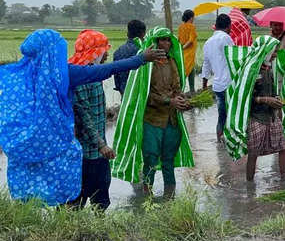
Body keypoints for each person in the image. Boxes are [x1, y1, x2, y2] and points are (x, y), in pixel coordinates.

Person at [0, 29, 165, 206]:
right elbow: (104, 71)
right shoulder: (63, 74)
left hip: (35, 143)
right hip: (63, 144)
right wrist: (140, 59)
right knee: (73, 194)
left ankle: (42, 220)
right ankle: (69, 225)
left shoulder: (17, 75)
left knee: (49, 191)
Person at [111, 27, 195, 198]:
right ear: (155, 42)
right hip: (152, 120)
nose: (166, 43)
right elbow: (144, 95)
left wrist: (183, 101)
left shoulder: (173, 62)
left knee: (168, 161)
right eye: (162, 40)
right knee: (150, 160)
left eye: (168, 40)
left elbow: (177, 88)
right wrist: (169, 101)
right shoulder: (146, 66)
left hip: (171, 120)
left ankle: (169, 199)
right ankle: (147, 198)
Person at [222, 36, 285, 181]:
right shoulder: (250, 70)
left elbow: (273, 91)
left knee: (283, 147)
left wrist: (276, 98)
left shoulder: (269, 69)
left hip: (271, 116)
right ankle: (250, 186)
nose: (276, 54)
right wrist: (264, 100)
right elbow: (243, 97)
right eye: (274, 51)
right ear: (266, 51)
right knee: (253, 154)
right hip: (256, 118)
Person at [201, 14, 235, 144]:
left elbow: (206, 65)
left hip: (217, 86)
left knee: (221, 115)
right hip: (230, 84)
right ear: (229, 26)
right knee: (232, 114)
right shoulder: (226, 38)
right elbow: (234, 58)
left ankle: (219, 141)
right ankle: (231, 142)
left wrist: (204, 85)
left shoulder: (208, 42)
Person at [113, 19, 147, 97]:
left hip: (125, 94)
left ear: (128, 33)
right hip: (142, 96)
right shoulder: (145, 52)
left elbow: (117, 79)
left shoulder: (118, 52)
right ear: (143, 34)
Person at [178, 9, 198, 93]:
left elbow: (178, 39)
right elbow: (191, 40)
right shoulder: (191, 27)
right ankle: (184, 90)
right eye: (193, 17)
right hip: (189, 52)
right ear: (190, 18)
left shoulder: (180, 27)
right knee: (186, 71)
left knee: (189, 70)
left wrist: (180, 49)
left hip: (183, 53)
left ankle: (190, 90)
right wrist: (184, 47)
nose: (193, 19)